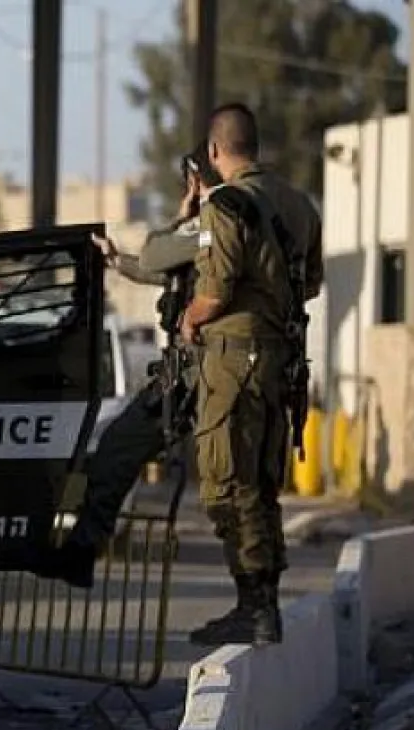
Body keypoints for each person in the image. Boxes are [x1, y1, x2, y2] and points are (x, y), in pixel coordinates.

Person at [180, 103, 323, 646]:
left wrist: (190, 320)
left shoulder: (226, 204)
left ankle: (253, 605)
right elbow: (309, 284)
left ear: (215, 152)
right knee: (261, 483)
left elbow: (213, 294)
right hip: (281, 362)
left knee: (225, 484)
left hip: (234, 361)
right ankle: (263, 604)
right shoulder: (300, 205)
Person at [39, 146, 211, 587]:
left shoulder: (219, 222)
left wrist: (183, 216)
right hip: (194, 374)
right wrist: (116, 260)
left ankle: (256, 602)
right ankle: (80, 551)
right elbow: (167, 272)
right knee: (117, 448)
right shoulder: (221, 227)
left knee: (232, 492)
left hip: (207, 374)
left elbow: (159, 255)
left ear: (197, 179)